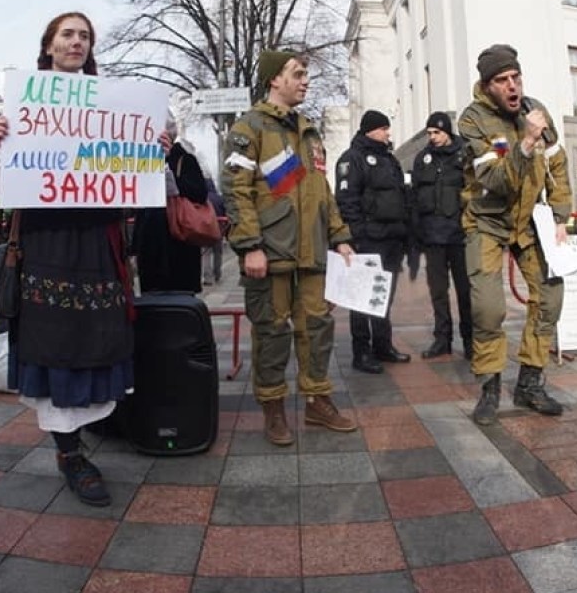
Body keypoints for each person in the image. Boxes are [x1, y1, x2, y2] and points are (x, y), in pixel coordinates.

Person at [0, 11, 133, 507]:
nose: (77, 42)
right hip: (47, 248)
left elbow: (146, 185)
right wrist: (1, 140)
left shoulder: (113, 107)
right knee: (57, 345)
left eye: (85, 36)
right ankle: (70, 453)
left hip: (97, 246)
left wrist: (153, 151)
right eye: (68, 34)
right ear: (48, 45)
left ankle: (91, 428)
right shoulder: (24, 105)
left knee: (98, 340)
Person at [222, 49, 357, 446]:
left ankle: (317, 400)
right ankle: (274, 408)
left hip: (313, 252)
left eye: (305, 75)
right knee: (272, 332)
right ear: (273, 80)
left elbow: (321, 190)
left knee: (317, 328)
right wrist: (250, 246)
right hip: (271, 252)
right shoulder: (249, 129)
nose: (305, 81)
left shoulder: (309, 130)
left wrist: (341, 236)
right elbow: (236, 191)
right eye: (297, 74)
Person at [458, 43, 570, 426]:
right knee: (489, 308)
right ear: (487, 85)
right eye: (502, 80)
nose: (512, 87)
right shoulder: (472, 121)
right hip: (486, 221)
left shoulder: (536, 112)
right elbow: (494, 179)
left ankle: (530, 383)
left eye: (516, 78)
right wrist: (524, 143)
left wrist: (560, 216)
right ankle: (490, 387)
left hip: (529, 221)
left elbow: (558, 165)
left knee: (551, 297)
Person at [335, 110, 413, 373]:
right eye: (383, 129)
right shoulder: (352, 159)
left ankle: (383, 345)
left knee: (383, 295)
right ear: (370, 130)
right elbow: (347, 201)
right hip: (369, 239)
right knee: (362, 298)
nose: (387, 133)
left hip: (392, 239)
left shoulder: (389, 159)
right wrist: (358, 235)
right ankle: (362, 351)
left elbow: (401, 197)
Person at [411, 111, 472, 360]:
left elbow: (474, 191)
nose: (432, 137)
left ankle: (470, 340)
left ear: (447, 132)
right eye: (429, 133)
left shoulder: (465, 154)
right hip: (433, 237)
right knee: (438, 292)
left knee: (465, 292)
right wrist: (416, 233)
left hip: (460, 236)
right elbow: (413, 197)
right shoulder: (422, 158)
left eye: (437, 132)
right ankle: (442, 340)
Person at [131, 121, 207, 293]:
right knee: (153, 302)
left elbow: (199, 194)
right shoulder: (141, 161)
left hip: (180, 244)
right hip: (150, 246)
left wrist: (173, 177)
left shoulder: (185, 159)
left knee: (180, 302)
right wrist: (134, 248)